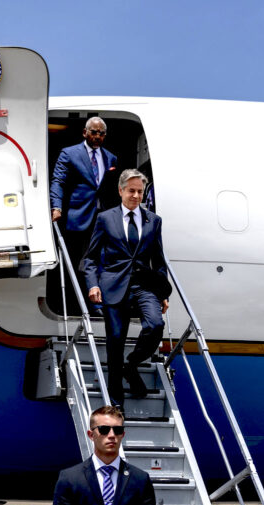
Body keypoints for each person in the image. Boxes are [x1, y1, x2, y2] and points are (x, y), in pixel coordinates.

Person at [80, 169, 171, 408]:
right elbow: (89, 258)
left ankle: (131, 364)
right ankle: (116, 401)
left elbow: (158, 260)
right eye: (131, 191)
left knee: (155, 325)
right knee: (115, 340)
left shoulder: (154, 220)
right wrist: (93, 285)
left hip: (144, 285)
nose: (136, 196)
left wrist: (162, 293)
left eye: (140, 192)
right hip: (113, 284)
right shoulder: (105, 218)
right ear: (120, 191)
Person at [50, 117, 118, 286]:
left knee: (100, 258)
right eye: (94, 132)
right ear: (85, 132)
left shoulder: (111, 158)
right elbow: (58, 181)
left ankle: (96, 298)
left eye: (101, 133)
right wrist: (56, 206)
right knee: (75, 259)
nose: (97, 136)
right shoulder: (69, 153)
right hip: (78, 216)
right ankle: (74, 296)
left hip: (103, 216)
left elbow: (113, 188)